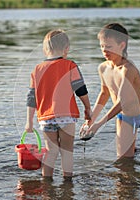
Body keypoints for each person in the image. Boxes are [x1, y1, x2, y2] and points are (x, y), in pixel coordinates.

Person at [81, 23, 140, 158]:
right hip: (125, 117)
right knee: (125, 161)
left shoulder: (128, 69)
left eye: (109, 47)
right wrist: (91, 119)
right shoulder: (103, 68)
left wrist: (99, 124)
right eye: (102, 46)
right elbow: (104, 94)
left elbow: (123, 101)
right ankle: (134, 146)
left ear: (122, 45)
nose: (104, 50)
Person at [25, 29, 92, 180]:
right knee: (67, 151)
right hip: (66, 116)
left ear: (45, 50)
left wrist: (29, 122)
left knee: (50, 151)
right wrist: (88, 108)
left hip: (46, 118)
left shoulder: (37, 70)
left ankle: (47, 182)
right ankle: (67, 182)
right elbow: (81, 89)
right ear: (66, 49)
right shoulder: (70, 65)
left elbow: (31, 98)